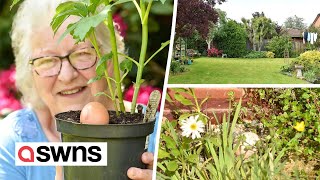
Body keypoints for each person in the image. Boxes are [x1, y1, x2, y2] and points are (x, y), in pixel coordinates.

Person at [0, 0, 156, 179]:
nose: (67, 76)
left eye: (82, 53)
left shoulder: (160, 133)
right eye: (47, 60)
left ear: (111, 58)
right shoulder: (12, 142)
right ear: (30, 73)